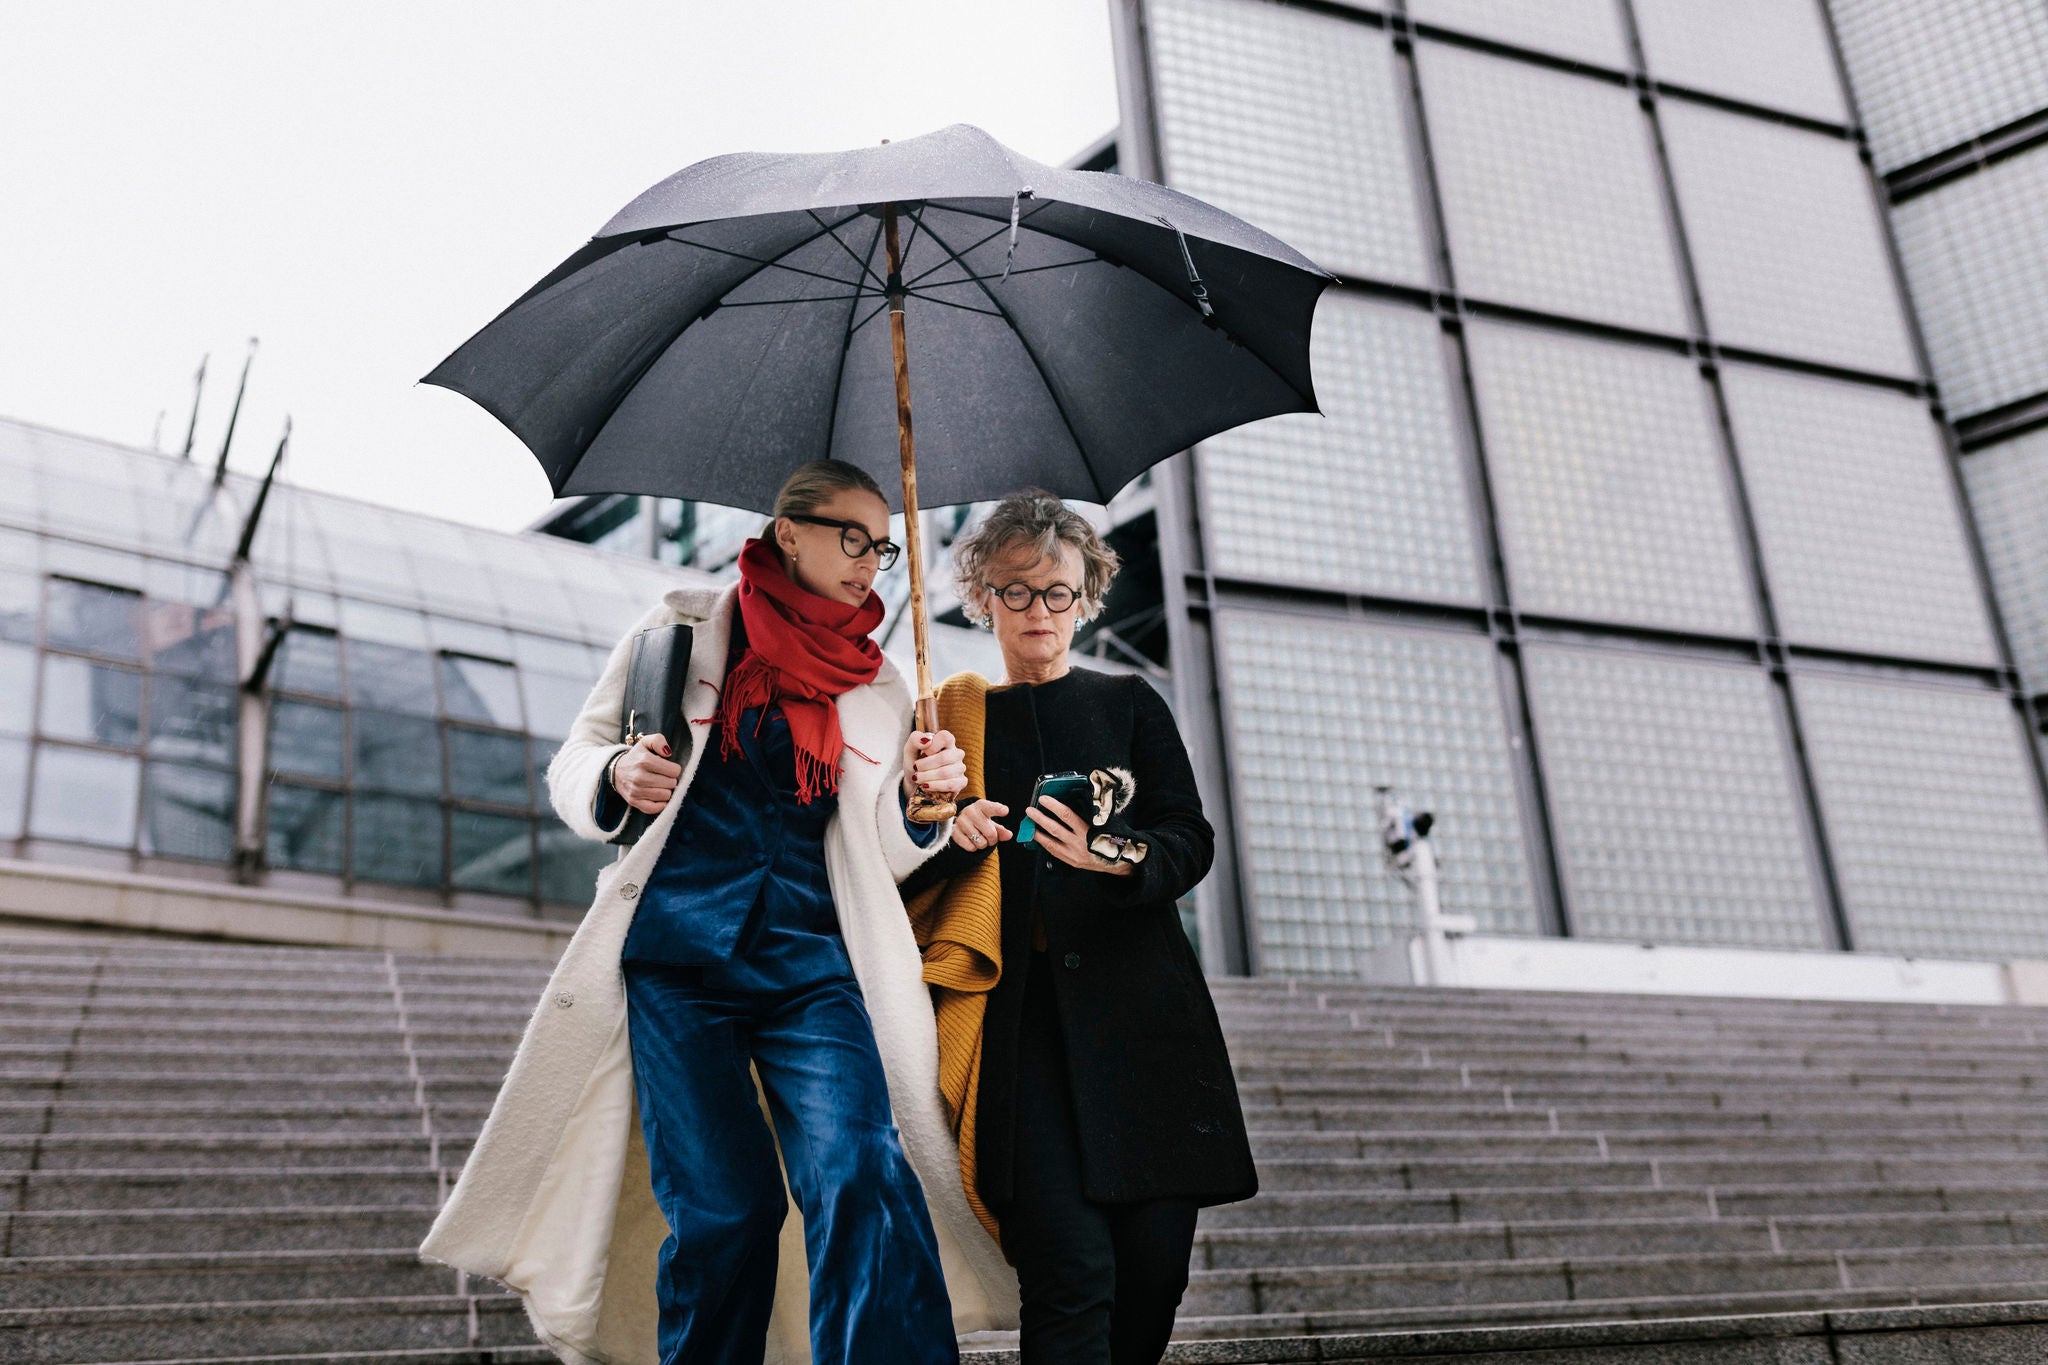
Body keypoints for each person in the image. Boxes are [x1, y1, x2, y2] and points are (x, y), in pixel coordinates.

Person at [420, 460, 1019, 1365]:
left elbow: (882, 855)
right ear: (790, 532)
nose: (872, 561)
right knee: (724, 1207)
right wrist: (617, 776)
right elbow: (577, 756)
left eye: (884, 544)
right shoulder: (680, 630)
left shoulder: (885, 685)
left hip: (816, 966)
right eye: (852, 536)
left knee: (861, 1166)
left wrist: (921, 803)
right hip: (677, 963)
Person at [903, 491, 1256, 1365]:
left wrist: (1118, 857)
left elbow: (1191, 836)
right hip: (1019, 1034)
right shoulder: (948, 717)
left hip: (1146, 1026)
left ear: (1085, 598)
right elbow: (900, 872)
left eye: (1057, 591)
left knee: (1152, 1273)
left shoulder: (1130, 702)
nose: (1038, 611)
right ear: (982, 597)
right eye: (1016, 591)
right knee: (1070, 1274)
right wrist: (948, 833)